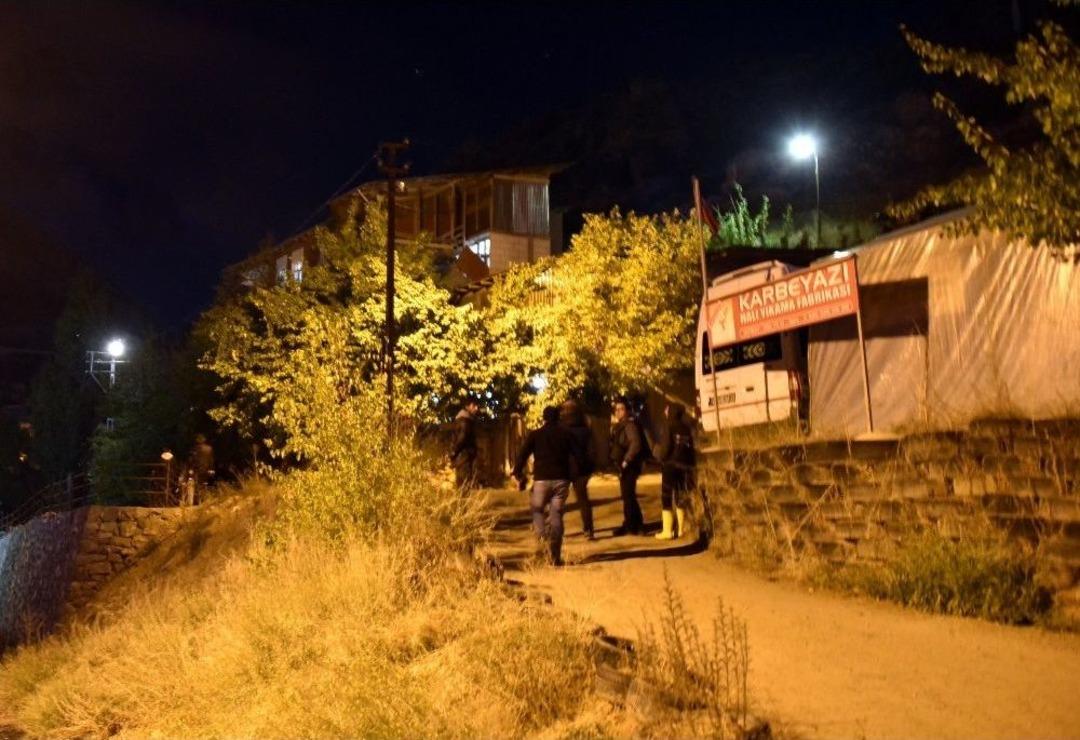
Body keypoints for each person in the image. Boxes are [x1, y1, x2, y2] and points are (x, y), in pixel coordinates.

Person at [513, 405, 584, 566]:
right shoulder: (567, 434)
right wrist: (578, 473)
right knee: (556, 514)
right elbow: (579, 454)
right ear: (559, 417)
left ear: (544, 418)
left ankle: (542, 542)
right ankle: (555, 557)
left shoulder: (536, 435)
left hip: (542, 480)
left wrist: (517, 472)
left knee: (537, 509)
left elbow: (523, 454)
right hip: (562, 480)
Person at [654, 403, 696, 540]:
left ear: (671, 412)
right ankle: (681, 530)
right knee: (681, 496)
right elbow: (691, 449)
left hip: (670, 465)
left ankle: (667, 531)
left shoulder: (668, 425)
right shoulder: (686, 428)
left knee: (666, 496)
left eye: (667, 409)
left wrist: (659, 456)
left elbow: (666, 447)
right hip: (685, 466)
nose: (665, 411)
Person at [609, 396, 646, 536]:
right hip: (623, 465)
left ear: (627, 411)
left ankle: (633, 525)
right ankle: (634, 524)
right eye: (617, 410)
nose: (619, 412)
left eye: (622, 409)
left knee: (628, 495)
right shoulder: (619, 425)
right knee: (628, 495)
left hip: (630, 465)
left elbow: (635, 444)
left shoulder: (629, 425)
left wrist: (626, 460)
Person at [560, 399, 595, 540]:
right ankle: (588, 529)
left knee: (559, 500)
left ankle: (558, 530)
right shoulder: (585, 430)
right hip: (582, 469)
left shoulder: (562, 429)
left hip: (565, 468)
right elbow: (592, 450)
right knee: (583, 500)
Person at [450, 396, 480, 491]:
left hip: (462, 457)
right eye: (474, 406)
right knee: (464, 484)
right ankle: (463, 504)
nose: (476, 408)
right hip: (464, 456)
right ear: (467, 407)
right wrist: (454, 452)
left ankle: (462, 504)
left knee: (462, 484)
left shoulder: (463, 420)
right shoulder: (465, 421)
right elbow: (462, 438)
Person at [187, 434, 215, 505]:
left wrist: (190, 469)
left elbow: (191, 460)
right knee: (204, 484)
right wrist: (211, 469)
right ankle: (203, 500)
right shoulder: (209, 449)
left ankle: (195, 501)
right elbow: (211, 460)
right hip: (206, 470)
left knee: (195, 485)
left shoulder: (194, 449)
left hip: (197, 470)